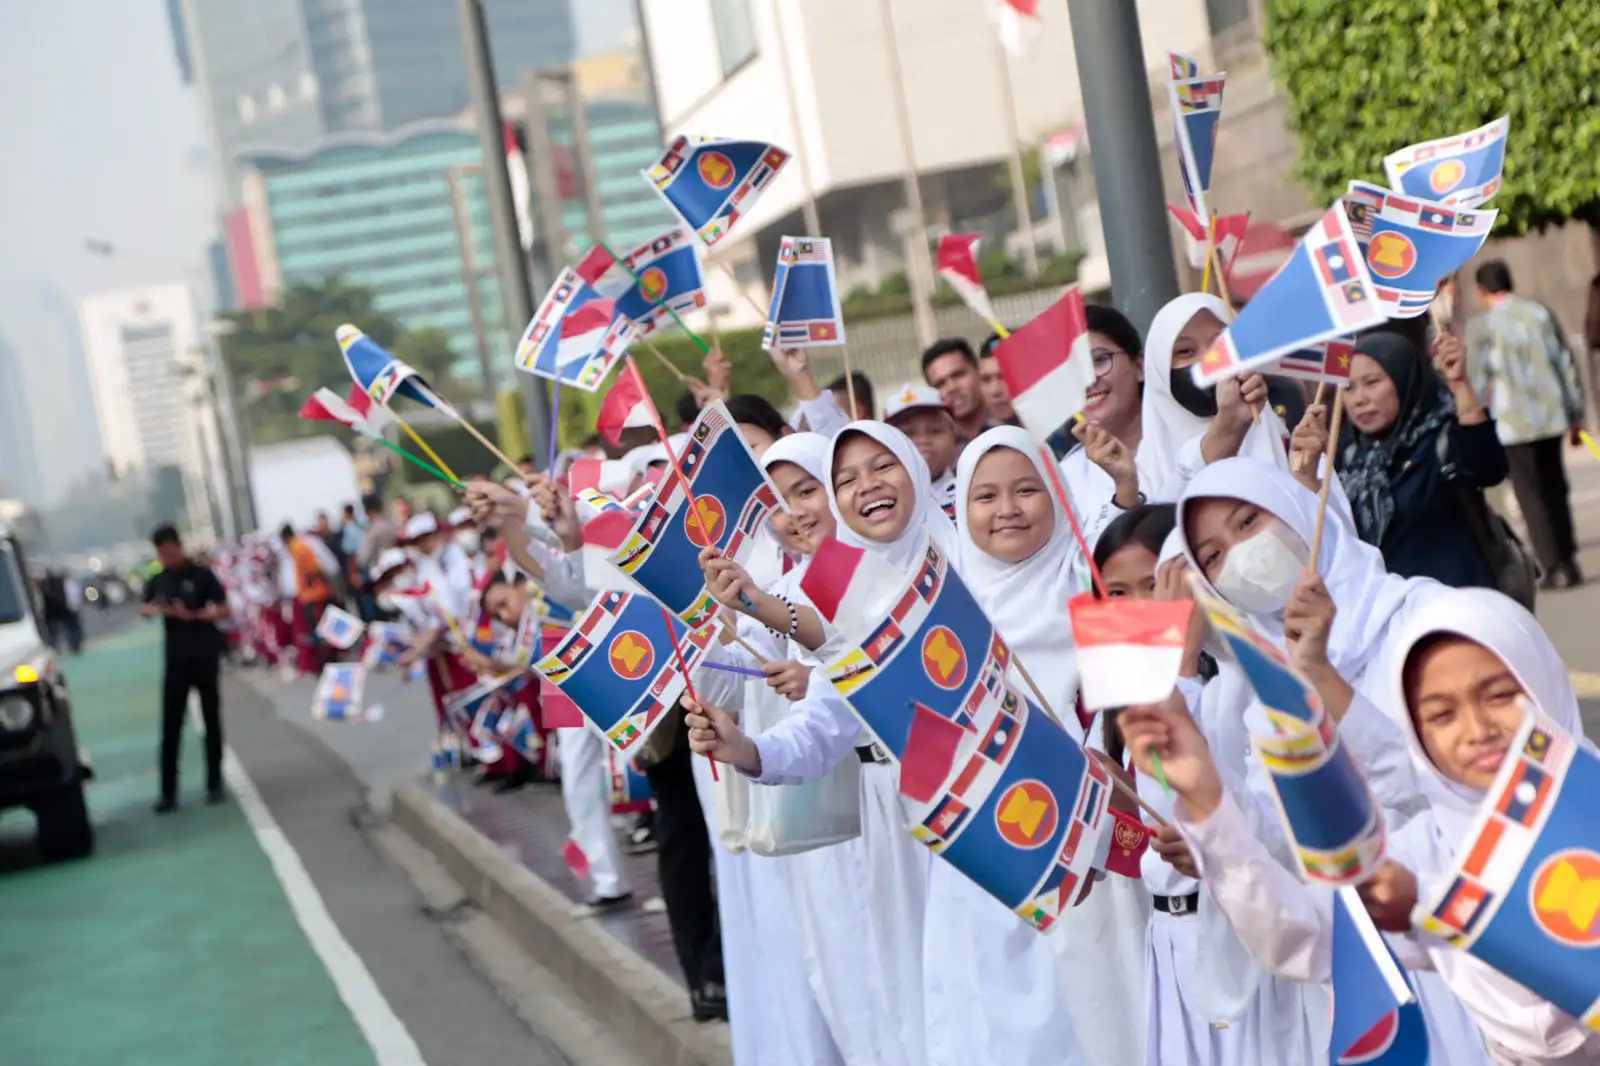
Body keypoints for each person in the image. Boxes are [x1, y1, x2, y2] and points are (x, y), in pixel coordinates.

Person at [1337, 329, 1510, 588]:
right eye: (1348, 388)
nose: (1359, 399)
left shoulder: (1440, 439)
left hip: (1456, 608)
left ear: (1403, 378)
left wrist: (1461, 384)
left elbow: (1489, 468)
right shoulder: (1350, 459)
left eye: (1372, 382)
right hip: (1390, 616)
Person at [1466, 260, 1586, 589]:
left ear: (1481, 290)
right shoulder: (1539, 313)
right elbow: (1565, 363)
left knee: (1530, 494)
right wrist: (1576, 413)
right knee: (1555, 486)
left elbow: (1477, 379)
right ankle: (1569, 558)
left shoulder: (1483, 326)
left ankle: (1553, 565)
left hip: (1512, 423)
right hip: (1551, 415)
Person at [139, 525, 230, 812]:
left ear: (178, 546)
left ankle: (214, 783)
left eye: (169, 551)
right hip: (176, 659)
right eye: (161, 554)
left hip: (203, 653)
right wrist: (156, 610)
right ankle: (168, 792)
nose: (166, 557)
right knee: (171, 726)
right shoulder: (158, 580)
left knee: (211, 718)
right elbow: (144, 607)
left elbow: (224, 608)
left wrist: (195, 615)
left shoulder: (201, 575)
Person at [882, 385, 961, 517]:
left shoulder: (971, 493)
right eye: (908, 433)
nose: (923, 440)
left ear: (955, 437)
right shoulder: (881, 503)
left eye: (935, 431)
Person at [282, 524, 334, 675]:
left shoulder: (299, 548)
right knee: (315, 629)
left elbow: (314, 569)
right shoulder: (298, 547)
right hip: (310, 594)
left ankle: (324, 661)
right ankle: (322, 660)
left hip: (313, 595)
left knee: (318, 629)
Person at [920, 338, 989, 444]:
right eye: (940, 384)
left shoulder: (1015, 420)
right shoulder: (936, 449)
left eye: (958, 375)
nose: (952, 388)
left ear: (978, 371)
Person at [975, 333, 1019, 426]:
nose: (995, 391)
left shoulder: (1055, 436)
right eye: (986, 380)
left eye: (1004, 377)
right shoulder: (982, 439)